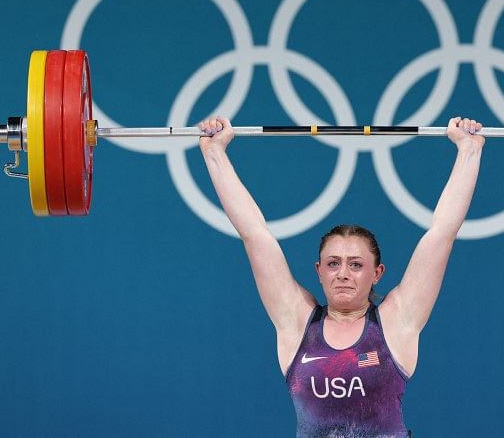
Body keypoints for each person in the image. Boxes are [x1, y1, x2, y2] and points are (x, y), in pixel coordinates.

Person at [198, 116, 485, 438]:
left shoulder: (398, 321)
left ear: (377, 274)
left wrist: (469, 151)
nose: (343, 274)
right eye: (333, 264)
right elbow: (254, 234)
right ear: (319, 272)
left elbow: (441, 234)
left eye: (356, 265)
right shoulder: (295, 321)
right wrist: (214, 152)